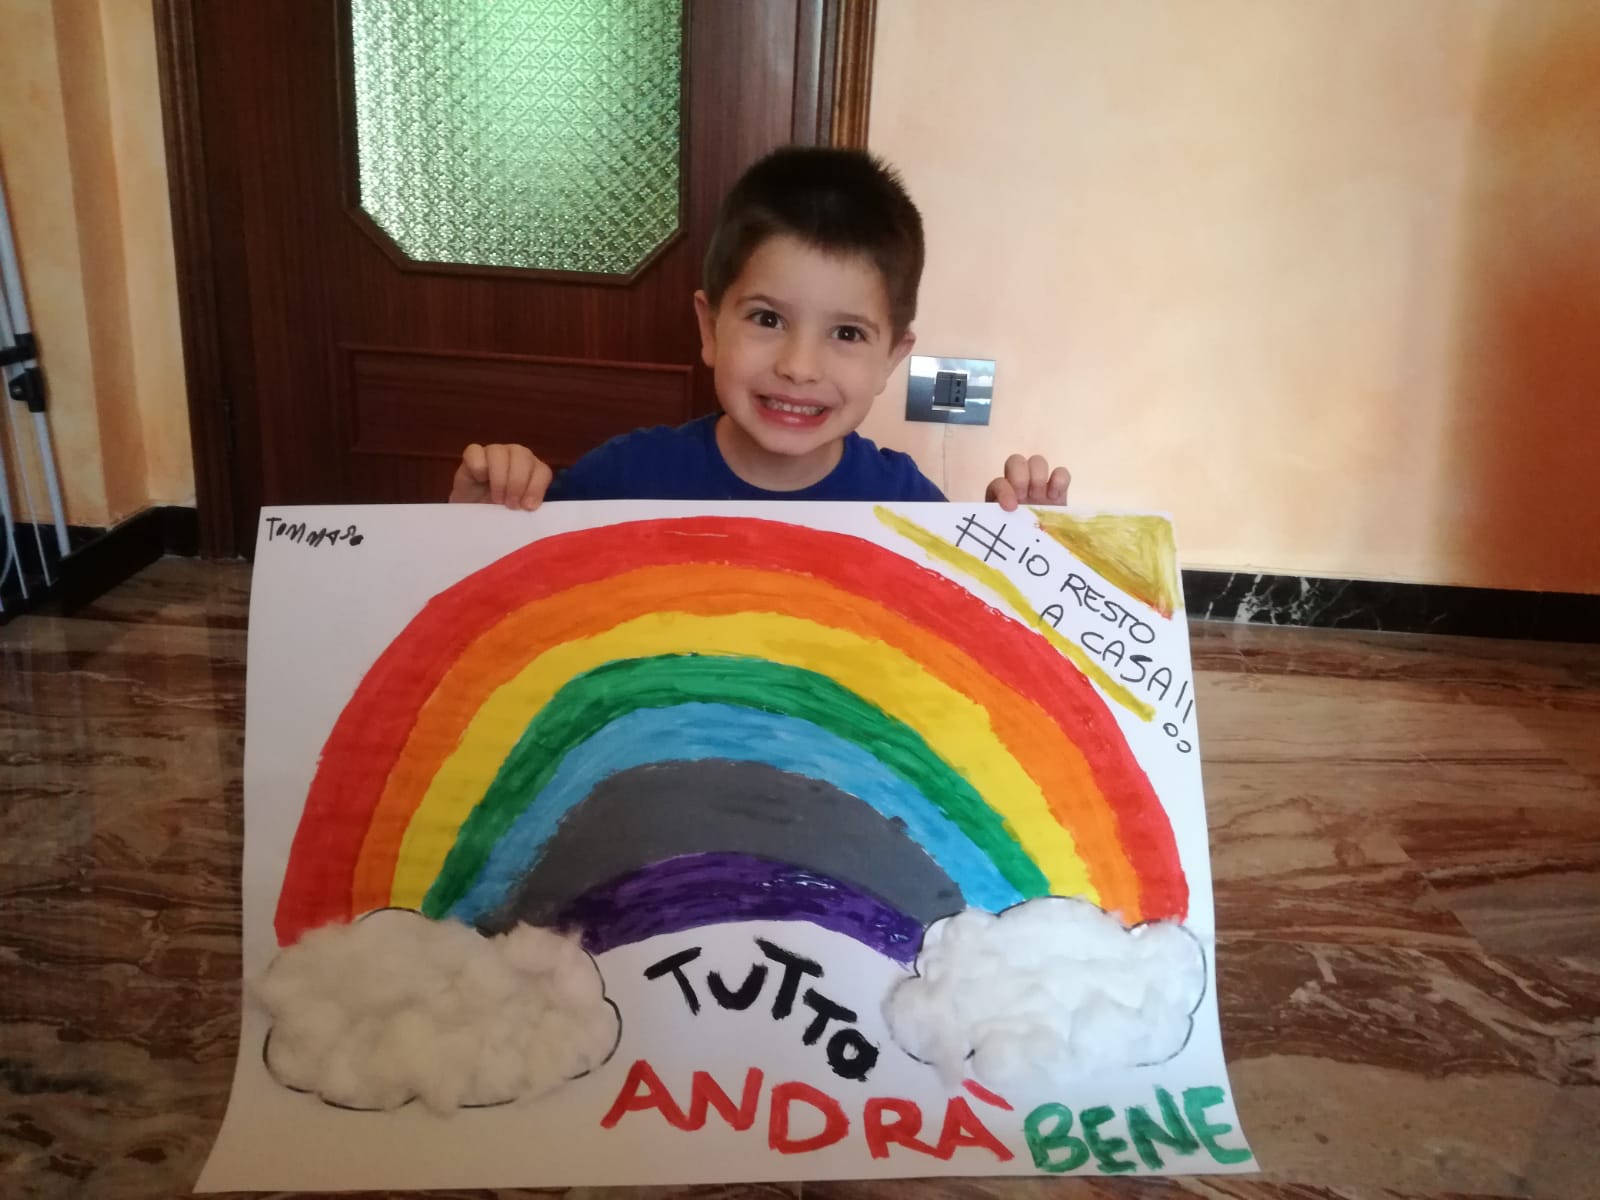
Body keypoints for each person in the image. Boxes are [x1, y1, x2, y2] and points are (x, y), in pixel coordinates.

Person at [448, 146, 1068, 511]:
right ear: (709, 327)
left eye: (847, 334)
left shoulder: (907, 504)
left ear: (891, 358)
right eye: (767, 319)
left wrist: (1022, 553)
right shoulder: (623, 478)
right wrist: (480, 519)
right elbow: (507, 588)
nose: (798, 367)